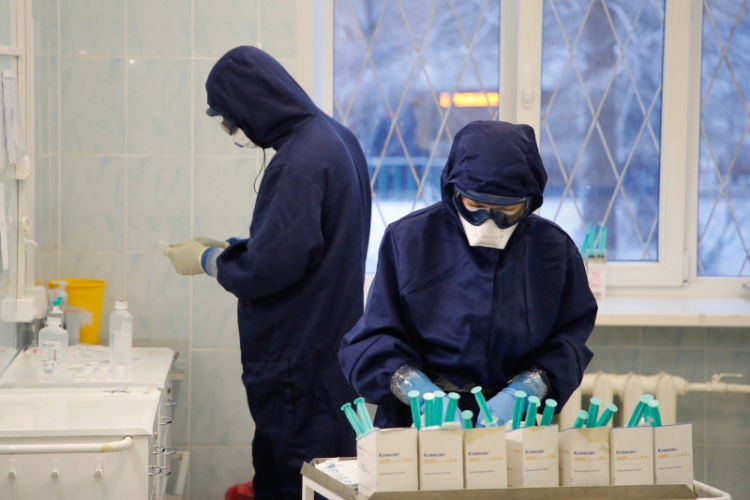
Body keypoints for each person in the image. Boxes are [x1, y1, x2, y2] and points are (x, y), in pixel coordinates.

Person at [164, 46, 371, 500]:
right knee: (325, 480)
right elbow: (306, 242)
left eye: (228, 120)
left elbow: (270, 267)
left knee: (293, 482)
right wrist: (238, 247)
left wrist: (210, 260)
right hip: (328, 355)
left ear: (251, 104)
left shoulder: (298, 161)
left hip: (297, 363)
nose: (232, 131)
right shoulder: (335, 138)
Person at [339, 120, 596, 429]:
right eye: (475, 205)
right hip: (419, 421)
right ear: (454, 191)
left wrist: (527, 389)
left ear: (529, 202)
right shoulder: (409, 241)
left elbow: (569, 339)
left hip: (510, 423)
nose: (488, 223)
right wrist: (418, 391)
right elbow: (372, 338)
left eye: (507, 211)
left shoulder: (554, 251)